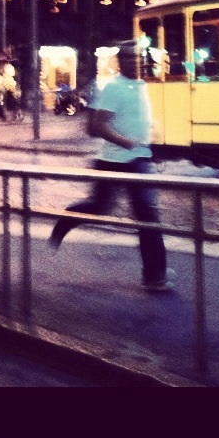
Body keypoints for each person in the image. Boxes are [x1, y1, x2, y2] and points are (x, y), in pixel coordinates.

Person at [48, 40, 175, 292]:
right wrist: (125, 142)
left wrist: (150, 142)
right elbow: (96, 126)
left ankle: (155, 275)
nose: (134, 62)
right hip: (113, 160)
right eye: (128, 58)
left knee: (147, 215)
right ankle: (65, 221)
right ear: (120, 62)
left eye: (137, 58)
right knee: (100, 207)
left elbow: (134, 118)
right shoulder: (115, 87)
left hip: (138, 158)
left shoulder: (141, 85)